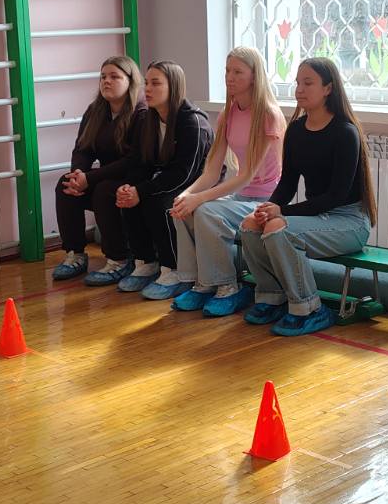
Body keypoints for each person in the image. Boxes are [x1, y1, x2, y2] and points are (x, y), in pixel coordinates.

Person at [237, 58, 375, 336]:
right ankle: (272, 297)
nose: (299, 89)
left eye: (308, 83)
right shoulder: (297, 130)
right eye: (298, 83)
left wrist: (282, 213)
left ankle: (309, 308)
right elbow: (287, 183)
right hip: (317, 216)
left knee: (279, 229)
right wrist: (269, 207)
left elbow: (335, 196)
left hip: (349, 222)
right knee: (250, 224)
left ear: (328, 88)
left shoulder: (345, 133)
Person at [168, 47, 285, 316]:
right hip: (241, 198)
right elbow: (211, 171)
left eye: (238, 72)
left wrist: (199, 199)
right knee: (182, 209)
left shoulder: (268, 115)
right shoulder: (227, 114)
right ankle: (199, 283)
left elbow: (246, 176)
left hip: (265, 201)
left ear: (254, 76)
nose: (229, 77)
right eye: (227, 71)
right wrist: (186, 196)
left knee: (205, 210)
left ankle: (227, 287)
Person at [113, 61, 213, 298]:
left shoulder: (193, 122)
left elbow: (185, 174)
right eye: (146, 83)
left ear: (173, 87)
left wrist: (142, 191)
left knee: (158, 204)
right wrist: (130, 188)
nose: (147, 89)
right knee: (129, 200)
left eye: (155, 83)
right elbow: (140, 162)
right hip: (168, 178)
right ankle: (146, 262)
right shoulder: (148, 119)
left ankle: (175, 269)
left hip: (197, 184)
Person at [52, 56, 147, 284]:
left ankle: (119, 259)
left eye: (115, 77)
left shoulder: (141, 113)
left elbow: (133, 160)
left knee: (104, 191)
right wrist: (77, 175)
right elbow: (82, 149)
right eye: (103, 77)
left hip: (134, 178)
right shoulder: (95, 110)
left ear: (130, 81)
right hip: (104, 176)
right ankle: (75, 253)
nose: (106, 81)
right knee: (65, 185)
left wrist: (90, 178)